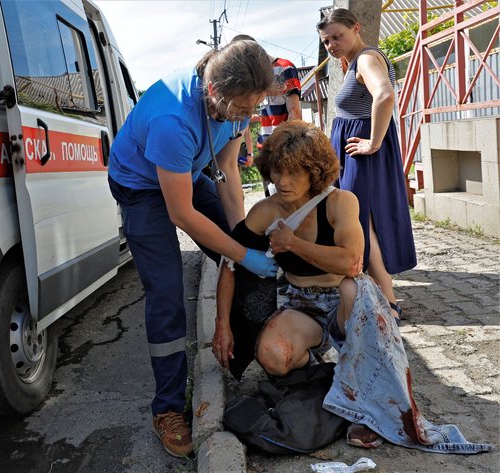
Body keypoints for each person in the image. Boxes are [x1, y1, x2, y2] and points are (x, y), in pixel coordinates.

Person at [213, 121, 491, 454]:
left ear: (314, 171)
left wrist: (292, 244)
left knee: (353, 289)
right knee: (272, 356)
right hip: (302, 303)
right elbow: (229, 263)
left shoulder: (341, 201)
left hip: (346, 304)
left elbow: (351, 263)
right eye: (276, 171)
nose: (283, 182)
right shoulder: (266, 211)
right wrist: (222, 325)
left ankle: (363, 406)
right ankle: (330, 377)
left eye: (294, 173)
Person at [107, 39, 279, 458]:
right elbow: (181, 214)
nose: (248, 118)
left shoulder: (234, 106)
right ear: (215, 92)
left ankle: (251, 351)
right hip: (139, 186)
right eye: (242, 109)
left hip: (183, 173)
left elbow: (227, 178)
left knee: (238, 250)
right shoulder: (173, 119)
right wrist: (240, 255)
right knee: (166, 293)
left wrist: (241, 239)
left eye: (253, 108)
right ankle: (166, 408)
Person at [317, 8, 416, 322]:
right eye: (327, 40)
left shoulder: (366, 59)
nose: (332, 44)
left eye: (337, 36)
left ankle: (388, 301)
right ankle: (381, 291)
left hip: (363, 151)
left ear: (356, 28)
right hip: (354, 150)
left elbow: (384, 95)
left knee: (360, 222)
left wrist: (372, 142)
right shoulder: (352, 61)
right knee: (362, 220)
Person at [232, 34, 302, 196]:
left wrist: (286, 145)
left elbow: (295, 112)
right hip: (264, 147)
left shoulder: (284, 68)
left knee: (290, 198)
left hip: (285, 146)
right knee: (271, 199)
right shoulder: (252, 77)